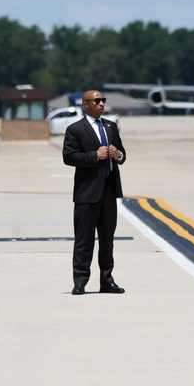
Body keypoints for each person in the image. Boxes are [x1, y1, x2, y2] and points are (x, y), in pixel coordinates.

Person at [63, 90, 126, 295]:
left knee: (107, 240)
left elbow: (123, 155)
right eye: (97, 101)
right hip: (87, 194)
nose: (101, 104)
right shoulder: (75, 129)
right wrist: (94, 156)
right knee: (84, 240)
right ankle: (80, 281)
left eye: (103, 100)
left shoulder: (111, 126)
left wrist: (118, 155)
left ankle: (106, 280)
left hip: (109, 191)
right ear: (86, 104)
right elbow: (69, 157)